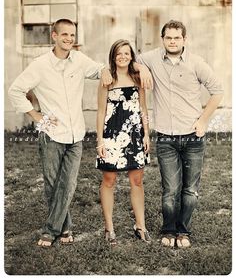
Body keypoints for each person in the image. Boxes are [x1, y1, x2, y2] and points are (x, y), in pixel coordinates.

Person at [8, 18, 114, 247]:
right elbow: (15, 90)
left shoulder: (78, 60)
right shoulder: (40, 65)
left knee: (69, 184)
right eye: (64, 34)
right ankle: (64, 228)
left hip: (75, 133)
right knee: (53, 184)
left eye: (72, 35)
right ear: (54, 36)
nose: (69, 39)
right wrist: (37, 116)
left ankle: (50, 230)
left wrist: (105, 70)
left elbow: (98, 70)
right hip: (51, 134)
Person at [137, 20, 223, 248]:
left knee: (190, 189)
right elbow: (129, 59)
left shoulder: (196, 63)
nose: (172, 41)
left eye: (177, 37)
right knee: (170, 189)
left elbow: (218, 91)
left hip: (193, 137)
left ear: (185, 39)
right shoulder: (152, 58)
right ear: (162, 39)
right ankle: (168, 229)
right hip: (166, 138)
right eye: (168, 37)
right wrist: (143, 67)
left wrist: (203, 120)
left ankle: (183, 232)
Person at [96, 39, 151, 246]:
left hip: (135, 135)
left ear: (131, 56)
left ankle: (140, 227)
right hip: (111, 137)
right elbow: (101, 112)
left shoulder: (138, 79)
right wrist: (100, 141)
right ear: (113, 55)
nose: (123, 57)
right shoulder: (106, 80)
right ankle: (109, 228)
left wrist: (147, 134)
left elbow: (144, 109)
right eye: (119, 53)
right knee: (109, 180)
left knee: (137, 181)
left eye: (126, 53)